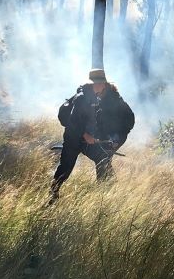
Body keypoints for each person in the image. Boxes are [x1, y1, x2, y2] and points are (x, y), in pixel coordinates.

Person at [49, 68, 136, 202]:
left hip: (89, 140)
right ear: (91, 83)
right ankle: (53, 193)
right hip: (73, 138)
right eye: (96, 82)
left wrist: (115, 137)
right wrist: (85, 135)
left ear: (105, 84)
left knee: (103, 159)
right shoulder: (81, 98)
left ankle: (104, 196)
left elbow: (126, 119)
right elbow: (72, 124)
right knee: (66, 167)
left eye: (101, 82)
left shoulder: (108, 98)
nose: (99, 84)